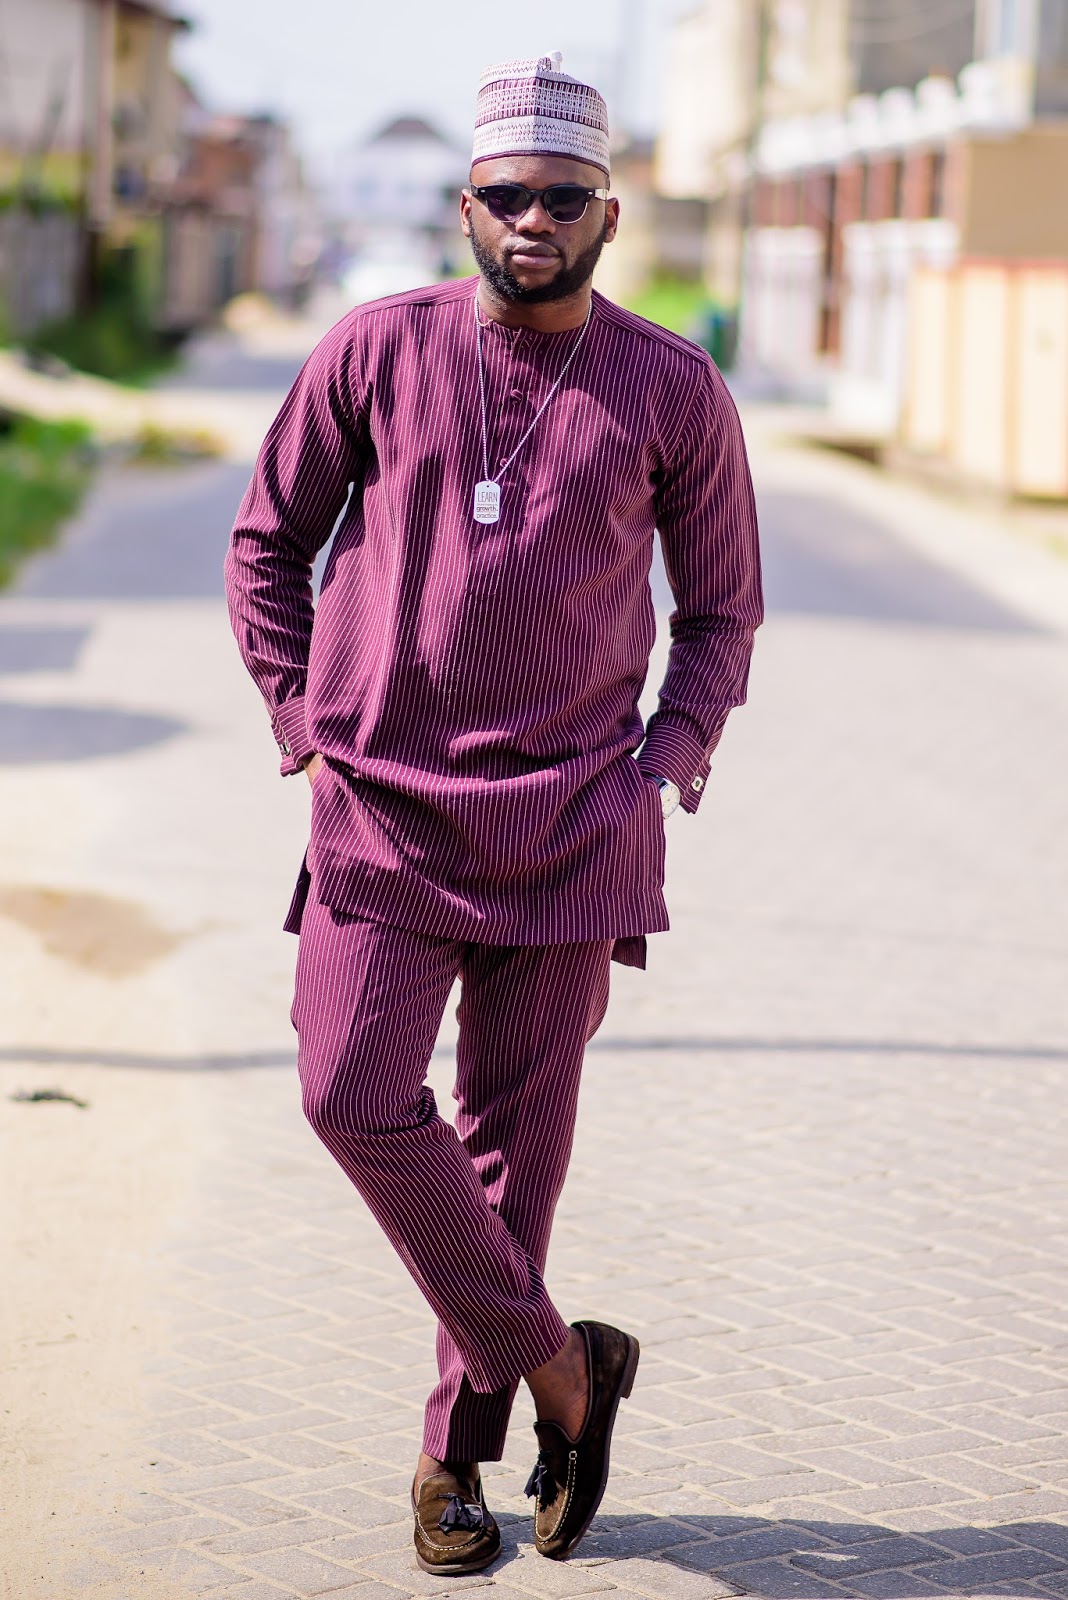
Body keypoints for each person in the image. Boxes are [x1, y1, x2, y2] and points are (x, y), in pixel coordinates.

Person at [225, 51, 762, 1577]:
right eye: (509, 195)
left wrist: (667, 759)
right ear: (467, 206)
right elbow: (266, 545)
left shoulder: (673, 385)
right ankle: (565, 1374)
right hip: (383, 816)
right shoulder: (374, 350)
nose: (536, 220)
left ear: (609, 213)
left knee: (515, 1156)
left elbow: (721, 611)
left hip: (579, 828)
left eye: (564, 198)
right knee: (351, 1094)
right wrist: (302, 724)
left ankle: (453, 1460)